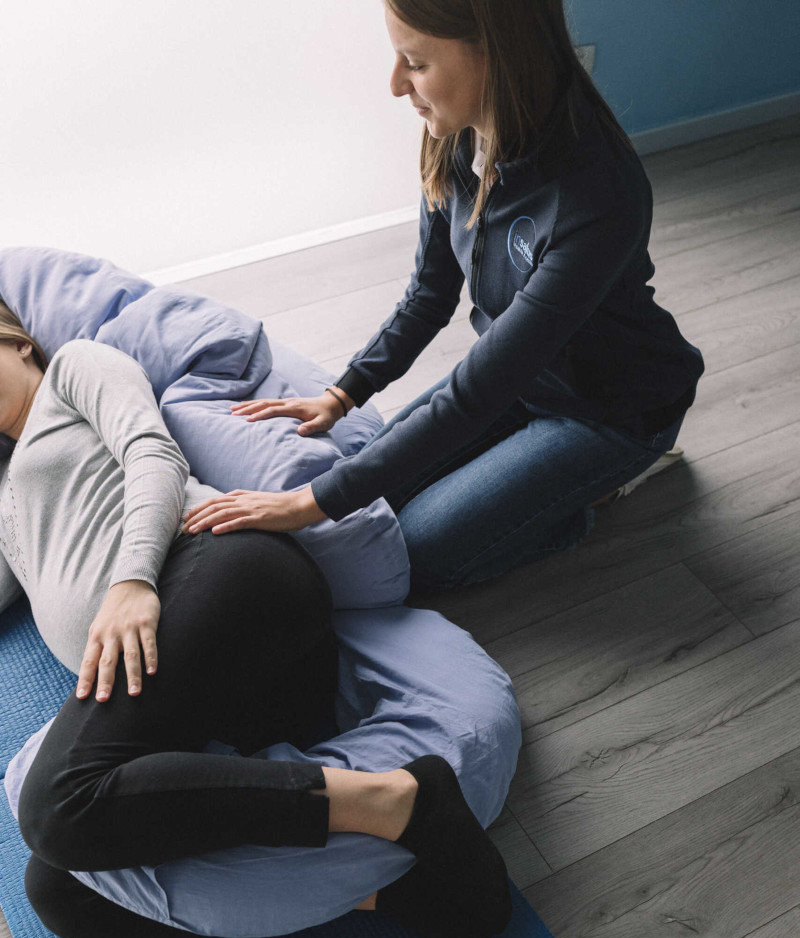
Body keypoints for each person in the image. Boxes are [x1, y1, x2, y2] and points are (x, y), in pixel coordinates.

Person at [0, 304, 511, 938]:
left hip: (221, 576)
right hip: (185, 693)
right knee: (59, 890)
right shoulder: (4, 486)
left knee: (55, 803)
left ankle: (400, 800)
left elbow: (152, 454)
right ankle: (380, 893)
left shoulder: (74, 368)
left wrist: (132, 580)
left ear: (16, 341)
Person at [181, 0, 704, 592]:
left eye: (415, 63)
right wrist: (343, 393)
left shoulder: (598, 195)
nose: (395, 85)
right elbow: (429, 294)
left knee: (416, 553)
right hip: (520, 382)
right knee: (376, 506)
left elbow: (475, 392)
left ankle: (593, 495)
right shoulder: (455, 136)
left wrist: (307, 504)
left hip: (609, 413)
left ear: (497, 55)